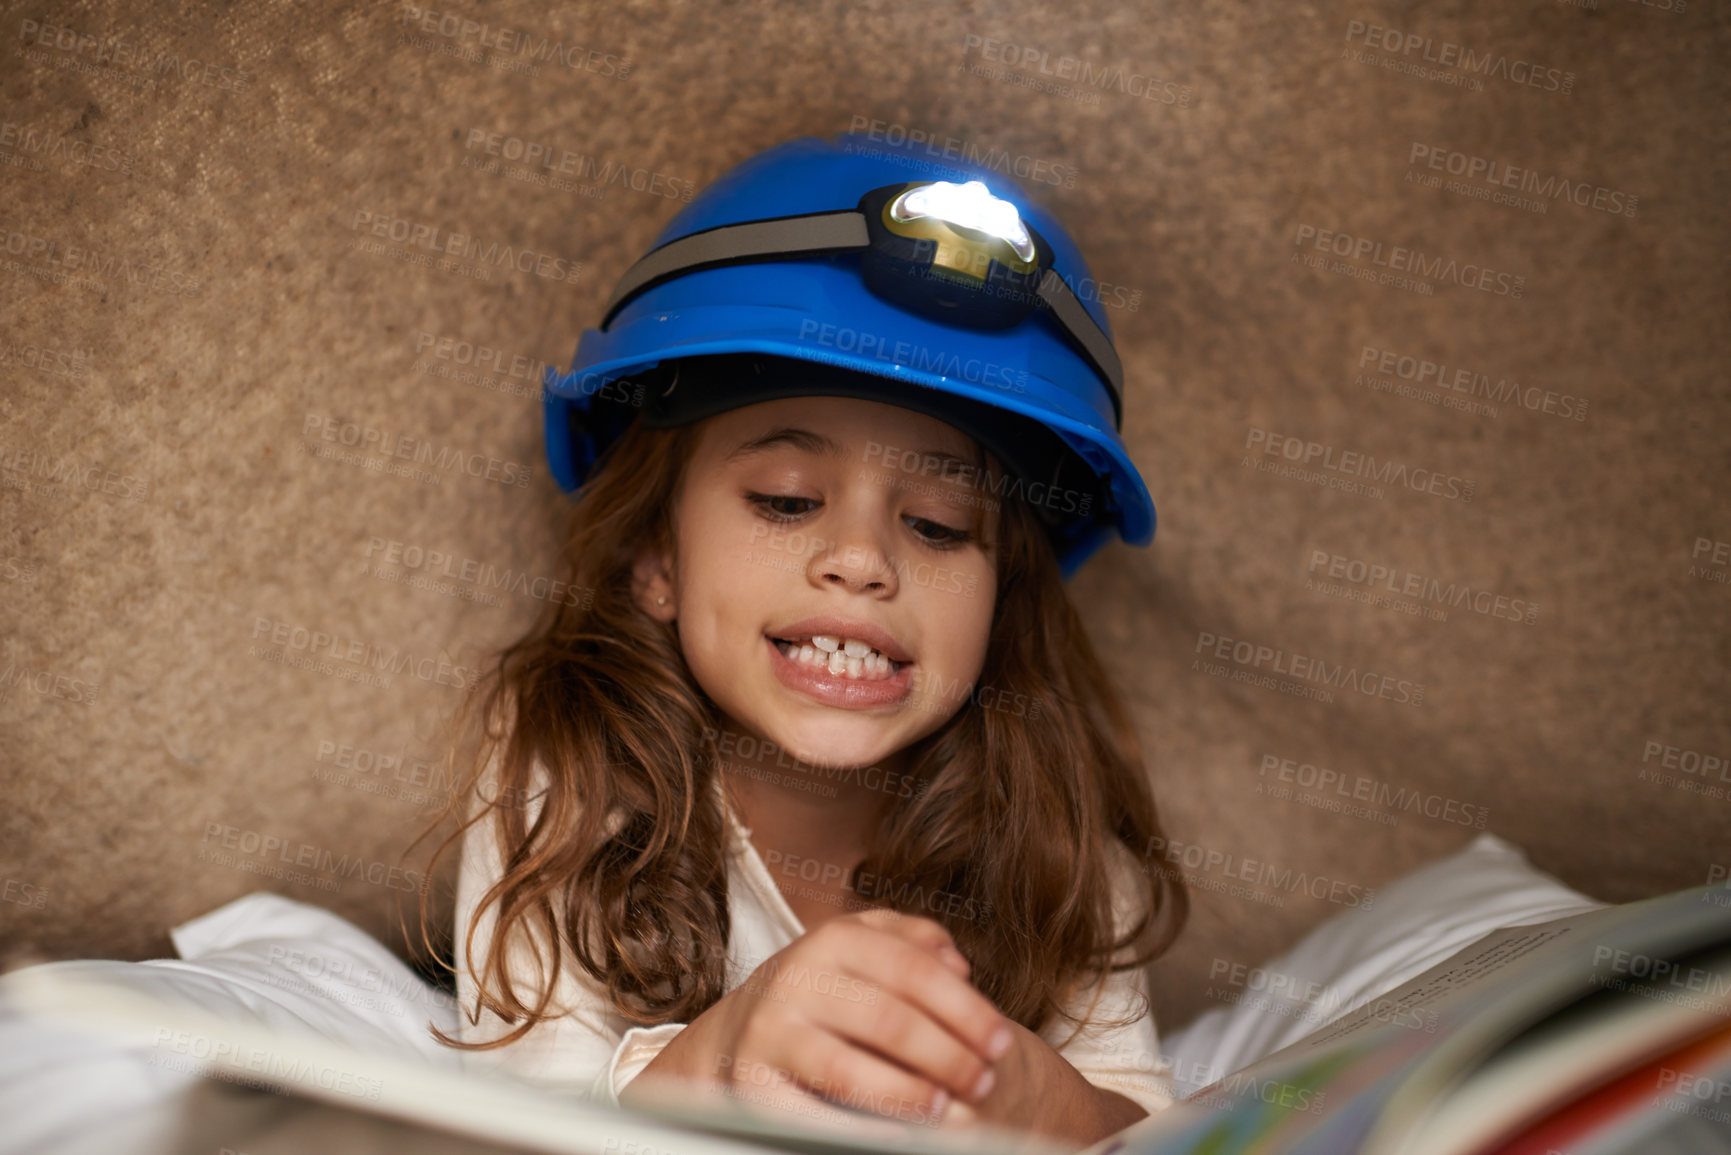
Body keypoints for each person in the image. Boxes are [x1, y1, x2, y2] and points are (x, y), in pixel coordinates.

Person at [416, 131, 1190, 1151]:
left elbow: (1136, 1108)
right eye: (786, 500)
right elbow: (522, 1121)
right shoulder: (565, 764)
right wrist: (728, 1055)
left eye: (940, 524)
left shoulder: (1053, 826)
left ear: (1001, 602)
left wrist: (1033, 1101)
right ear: (657, 558)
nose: (862, 560)